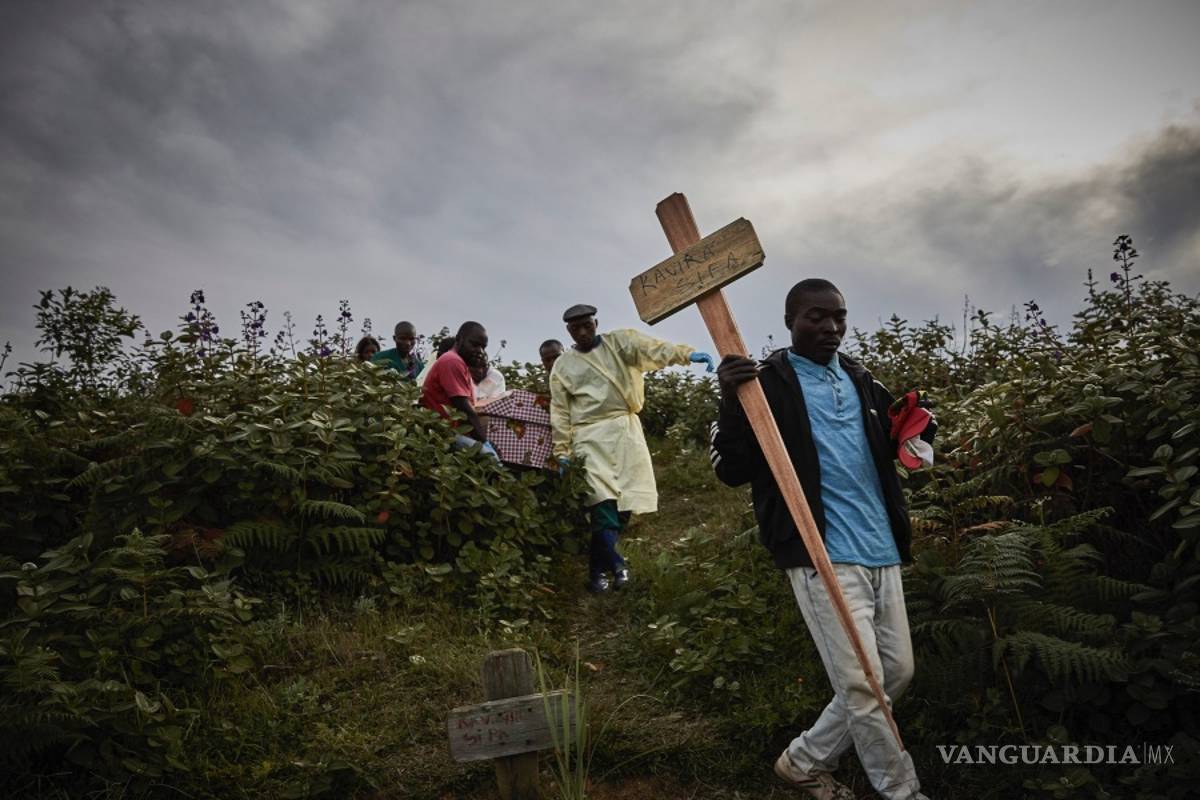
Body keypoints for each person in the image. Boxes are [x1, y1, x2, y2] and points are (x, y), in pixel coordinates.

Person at [710, 279, 934, 800]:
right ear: (790, 320)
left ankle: (803, 760)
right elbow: (731, 469)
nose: (831, 328)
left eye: (839, 317)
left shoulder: (861, 379)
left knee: (895, 673)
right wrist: (730, 397)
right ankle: (901, 790)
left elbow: (899, 438)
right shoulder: (763, 383)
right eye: (816, 317)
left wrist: (920, 428)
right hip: (819, 552)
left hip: (880, 545)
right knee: (863, 683)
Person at [549, 303, 714, 593]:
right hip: (588, 436)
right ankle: (618, 566)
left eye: (587, 324)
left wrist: (686, 354)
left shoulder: (621, 343)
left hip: (625, 431)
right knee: (602, 503)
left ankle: (596, 573)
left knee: (624, 505)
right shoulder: (563, 366)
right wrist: (562, 451)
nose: (583, 331)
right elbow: (560, 411)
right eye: (576, 328)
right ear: (569, 331)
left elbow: (654, 349)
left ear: (596, 323)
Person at [420, 321, 498, 459]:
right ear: (459, 339)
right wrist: (484, 442)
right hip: (442, 433)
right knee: (491, 458)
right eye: (474, 344)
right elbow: (464, 408)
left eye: (483, 347)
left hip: (452, 432)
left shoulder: (461, 364)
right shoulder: (452, 361)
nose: (479, 351)